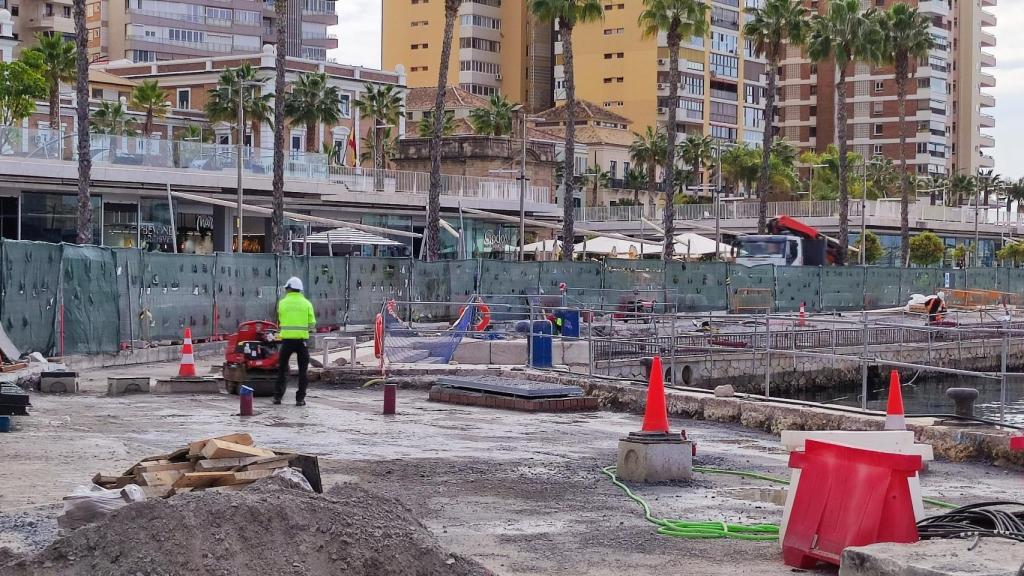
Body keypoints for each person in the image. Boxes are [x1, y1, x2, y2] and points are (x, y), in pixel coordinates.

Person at [274, 276, 316, 406]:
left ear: (289, 289)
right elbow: (312, 323)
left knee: (282, 369)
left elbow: (280, 319)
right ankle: (300, 399)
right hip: (302, 341)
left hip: (287, 341)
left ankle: (277, 397)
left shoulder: (282, 303)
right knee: (303, 371)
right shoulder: (307, 304)